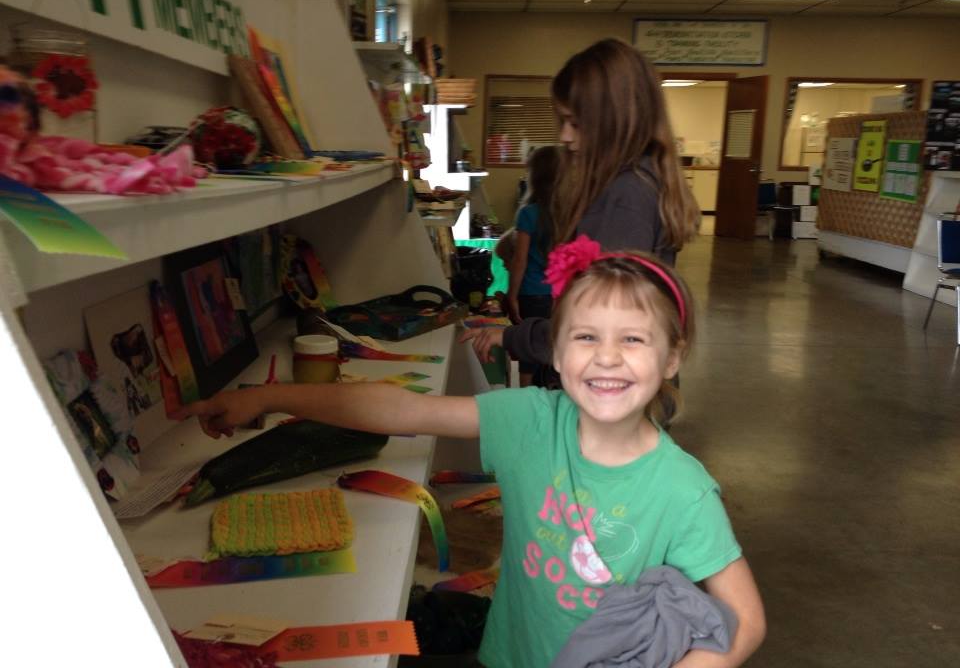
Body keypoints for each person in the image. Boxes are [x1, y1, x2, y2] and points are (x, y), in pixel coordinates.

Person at [178, 236, 765, 668]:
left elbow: (746, 622)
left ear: (671, 359)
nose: (606, 358)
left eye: (633, 339)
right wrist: (268, 397)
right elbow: (397, 410)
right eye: (586, 336)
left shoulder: (683, 491)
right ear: (556, 353)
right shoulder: (532, 421)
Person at [462, 38, 701, 370]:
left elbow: (599, 327)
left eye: (575, 123)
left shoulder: (623, 198)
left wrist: (513, 336)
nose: (565, 137)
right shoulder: (641, 182)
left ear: (614, 123)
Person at [506, 145, 560, 386]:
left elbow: (520, 260)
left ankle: (525, 400)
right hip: (560, 292)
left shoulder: (528, 213)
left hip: (531, 292)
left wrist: (512, 295)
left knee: (527, 348)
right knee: (554, 347)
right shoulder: (570, 212)